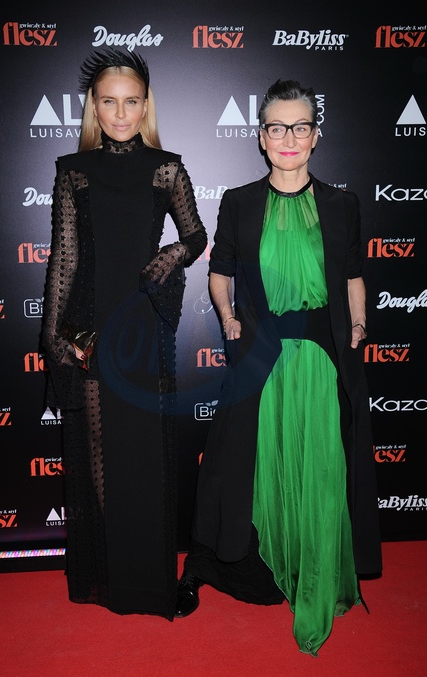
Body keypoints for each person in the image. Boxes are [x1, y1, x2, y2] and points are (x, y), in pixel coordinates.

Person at [176, 79, 382, 655]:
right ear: (262, 137)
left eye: (300, 126)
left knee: (318, 465)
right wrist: (227, 316)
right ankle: (241, 566)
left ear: (315, 136)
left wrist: (359, 324)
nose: (288, 137)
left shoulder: (342, 205)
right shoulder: (240, 202)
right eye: (276, 127)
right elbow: (220, 273)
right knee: (243, 463)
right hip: (260, 356)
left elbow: (352, 276)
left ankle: (313, 564)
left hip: (321, 358)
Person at [41, 48, 207, 620]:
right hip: (89, 329)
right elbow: (64, 259)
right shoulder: (73, 171)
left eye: (131, 101)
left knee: (145, 457)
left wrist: (171, 255)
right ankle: (117, 576)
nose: (120, 113)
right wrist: (52, 334)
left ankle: (150, 580)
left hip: (142, 328)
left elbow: (196, 235)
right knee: (99, 455)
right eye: (108, 101)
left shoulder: (166, 168)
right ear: (94, 106)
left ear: (145, 105)